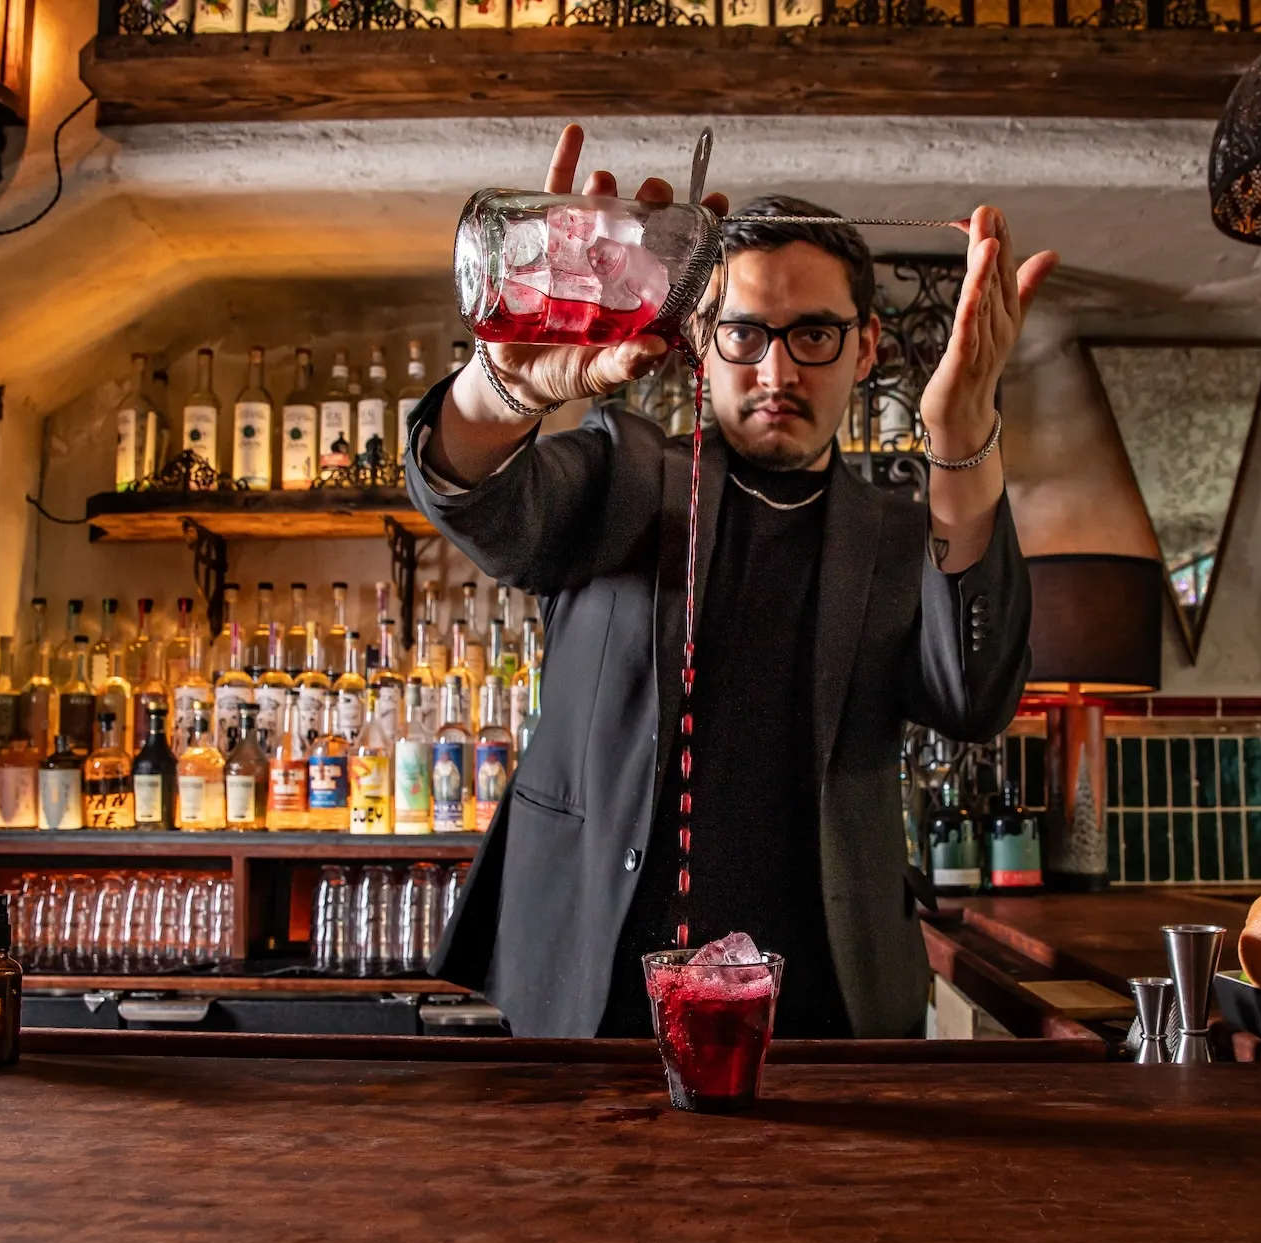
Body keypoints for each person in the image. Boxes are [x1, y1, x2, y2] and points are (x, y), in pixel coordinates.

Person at [408, 125, 1054, 1039]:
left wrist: (960, 435)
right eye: (745, 333)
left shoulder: (903, 534)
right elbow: (478, 501)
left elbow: (975, 698)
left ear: (867, 348)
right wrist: (502, 388)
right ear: (698, 342)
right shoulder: (618, 475)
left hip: (825, 1005)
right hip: (591, 987)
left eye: (816, 335)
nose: (777, 370)